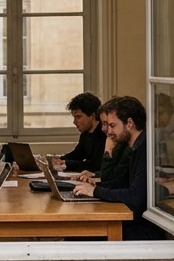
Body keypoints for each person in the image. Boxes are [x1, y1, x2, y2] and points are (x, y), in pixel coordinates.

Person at [71, 96, 166, 240]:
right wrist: (94, 185)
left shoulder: (146, 148)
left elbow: (135, 197)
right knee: (79, 231)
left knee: (79, 234)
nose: (108, 132)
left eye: (112, 126)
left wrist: (96, 191)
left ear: (129, 123)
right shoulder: (137, 146)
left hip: (144, 230)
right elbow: (123, 181)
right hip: (137, 223)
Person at [55, 92, 105, 176]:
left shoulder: (104, 134)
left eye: (78, 117)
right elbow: (77, 154)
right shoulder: (85, 133)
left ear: (92, 115)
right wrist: (58, 160)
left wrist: (66, 163)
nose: (74, 122)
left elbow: (95, 165)